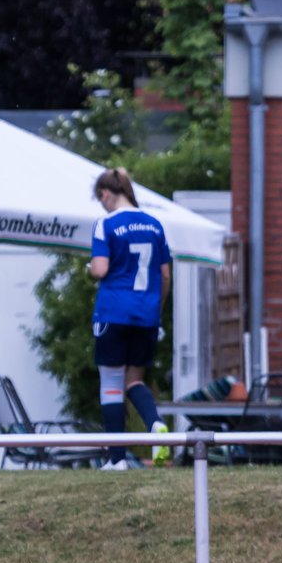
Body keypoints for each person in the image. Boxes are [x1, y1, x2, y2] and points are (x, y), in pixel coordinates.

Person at [89, 167, 172, 470]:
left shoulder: (105, 224)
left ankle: (117, 460)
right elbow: (165, 276)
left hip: (113, 312)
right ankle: (155, 425)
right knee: (134, 380)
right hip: (146, 315)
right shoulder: (155, 225)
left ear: (106, 194)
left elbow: (100, 269)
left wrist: (89, 269)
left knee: (111, 384)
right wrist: (156, 309)